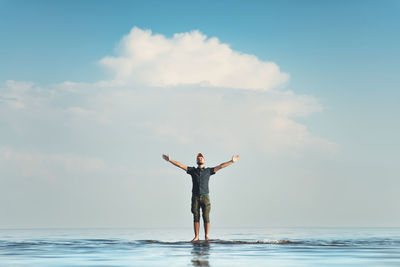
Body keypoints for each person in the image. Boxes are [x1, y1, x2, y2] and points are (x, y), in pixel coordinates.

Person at [162, 153, 240, 241]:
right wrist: (170, 160)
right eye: (198, 158)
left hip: (205, 196)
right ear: (196, 161)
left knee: (206, 216)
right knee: (196, 215)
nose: (200, 159)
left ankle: (206, 236)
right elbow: (180, 165)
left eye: (201, 158)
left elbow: (221, 166)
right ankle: (196, 236)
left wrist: (231, 161)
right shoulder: (192, 170)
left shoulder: (208, 171)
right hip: (195, 196)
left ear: (204, 160)